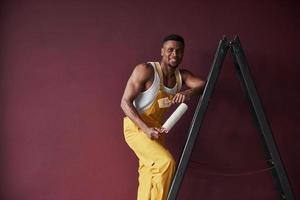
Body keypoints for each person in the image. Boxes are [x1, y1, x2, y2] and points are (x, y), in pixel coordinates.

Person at [120, 34, 206, 200]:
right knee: (166, 163)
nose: (174, 54)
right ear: (162, 51)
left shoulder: (182, 76)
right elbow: (124, 102)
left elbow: (203, 85)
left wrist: (188, 92)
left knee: (148, 176)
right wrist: (145, 129)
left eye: (179, 51)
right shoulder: (145, 70)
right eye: (170, 50)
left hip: (157, 131)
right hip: (137, 128)